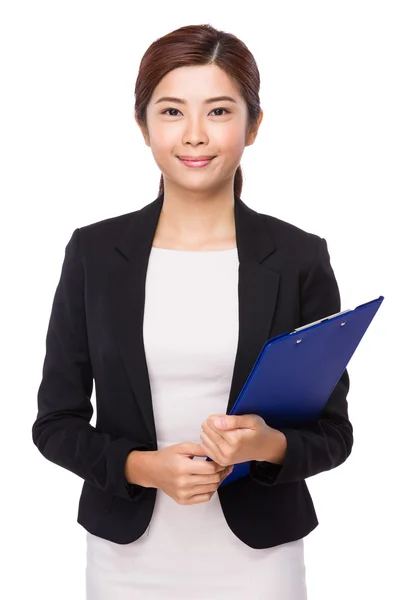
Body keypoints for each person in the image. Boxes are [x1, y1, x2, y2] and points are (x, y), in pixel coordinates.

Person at [32, 23, 353, 600]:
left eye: (220, 111)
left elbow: (332, 434)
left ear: (253, 125)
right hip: (127, 560)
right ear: (144, 125)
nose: (196, 135)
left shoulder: (301, 257)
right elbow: (55, 424)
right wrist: (142, 468)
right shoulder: (96, 254)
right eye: (173, 111)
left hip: (261, 560)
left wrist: (265, 445)